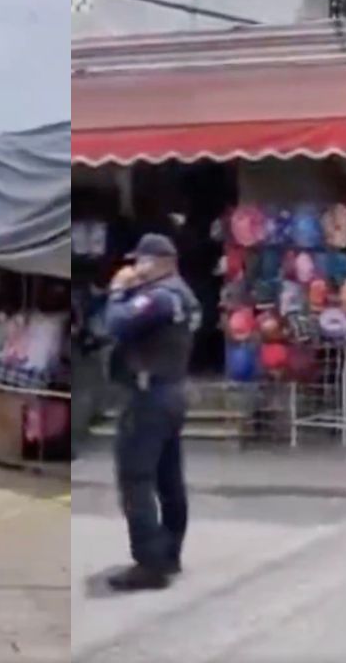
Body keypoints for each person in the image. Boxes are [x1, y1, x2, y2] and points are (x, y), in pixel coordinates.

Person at [103, 233, 202, 591]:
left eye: (139, 262)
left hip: (149, 395)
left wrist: (118, 290)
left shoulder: (159, 297)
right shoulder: (185, 295)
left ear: (158, 261)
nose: (133, 269)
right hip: (173, 390)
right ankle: (170, 553)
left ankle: (149, 562)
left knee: (136, 478)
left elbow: (114, 324)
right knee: (168, 476)